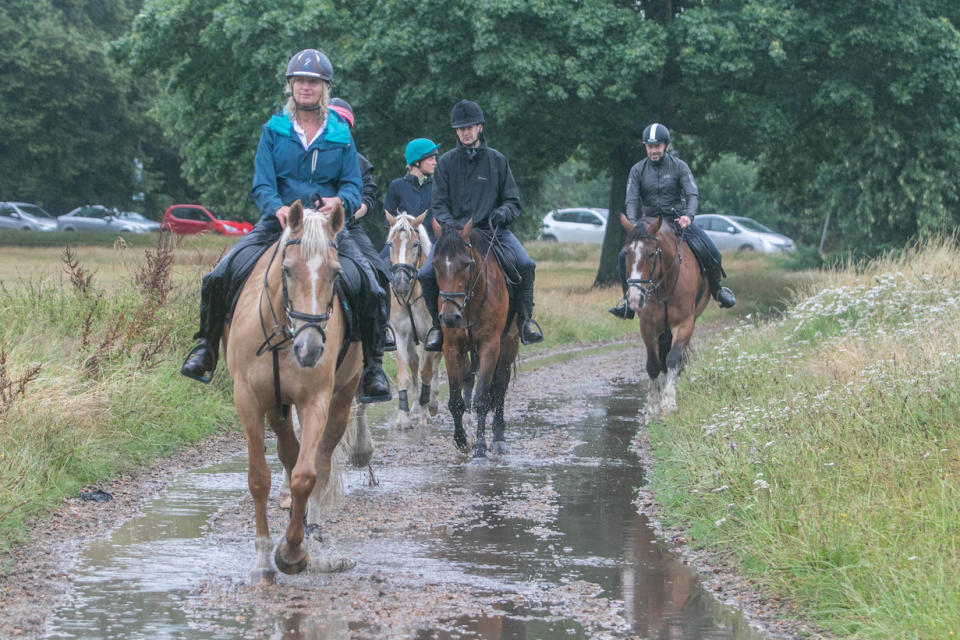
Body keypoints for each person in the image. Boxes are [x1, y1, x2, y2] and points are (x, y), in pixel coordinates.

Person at [180, 48, 391, 403]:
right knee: (217, 275)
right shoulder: (274, 130)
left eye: (313, 82)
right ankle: (206, 350)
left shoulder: (340, 134)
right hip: (279, 225)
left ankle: (373, 366)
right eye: (299, 81)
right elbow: (262, 182)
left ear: (324, 88)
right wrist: (275, 207)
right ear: (290, 86)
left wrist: (341, 202)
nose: (306, 87)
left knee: (370, 283)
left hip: (325, 230)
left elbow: (353, 185)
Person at [418, 99, 544, 351]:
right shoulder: (445, 163)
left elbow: (512, 200)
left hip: (492, 231)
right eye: (461, 128)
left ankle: (525, 322)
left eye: (470, 127)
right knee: (425, 274)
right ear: (456, 131)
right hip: (455, 236)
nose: (465, 132)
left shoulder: (497, 161)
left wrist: (502, 213)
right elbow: (438, 204)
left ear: (480, 128)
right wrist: (452, 226)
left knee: (525, 264)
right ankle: (437, 327)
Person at [609, 122, 736, 319]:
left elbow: (692, 194)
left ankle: (718, 291)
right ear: (645, 147)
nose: (653, 150)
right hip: (649, 223)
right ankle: (628, 301)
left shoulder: (679, 166)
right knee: (622, 257)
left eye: (657, 146)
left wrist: (689, 215)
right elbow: (632, 200)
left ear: (666, 145)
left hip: (677, 220)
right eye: (650, 146)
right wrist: (634, 224)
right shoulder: (637, 170)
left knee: (713, 252)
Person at [328, 97, 396, 354]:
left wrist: (354, 213)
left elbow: (368, 197)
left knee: (380, 273)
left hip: (348, 227)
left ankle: (379, 334)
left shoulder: (359, 162)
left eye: (343, 123)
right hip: (310, 228)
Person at [383, 138, 441, 245]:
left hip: (434, 244)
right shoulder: (396, 186)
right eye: (431, 159)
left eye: (435, 159)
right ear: (417, 162)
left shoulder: (439, 186)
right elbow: (388, 220)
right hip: (403, 243)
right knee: (379, 261)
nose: (435, 162)